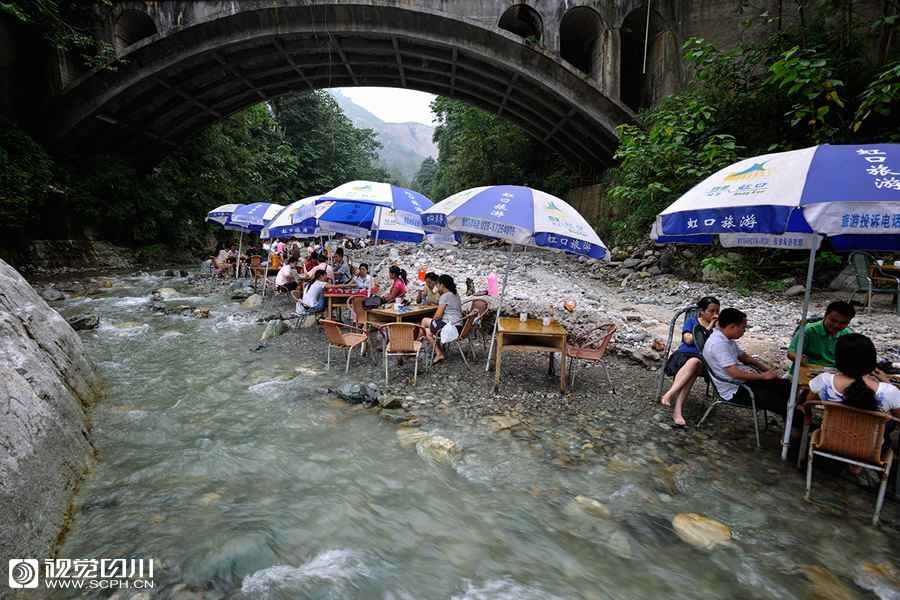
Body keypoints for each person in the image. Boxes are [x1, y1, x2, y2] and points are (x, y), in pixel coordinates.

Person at [703, 308, 795, 418]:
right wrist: (762, 376)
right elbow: (735, 373)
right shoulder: (718, 344)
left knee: (783, 385)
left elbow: (744, 356)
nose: (744, 330)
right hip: (734, 389)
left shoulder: (726, 339)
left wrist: (765, 369)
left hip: (744, 381)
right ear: (732, 326)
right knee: (775, 399)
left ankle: (795, 415)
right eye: (743, 327)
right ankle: (796, 423)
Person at [660, 296, 720, 426]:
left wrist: (716, 328)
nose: (715, 315)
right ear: (701, 311)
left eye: (717, 311)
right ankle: (677, 411)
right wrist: (709, 327)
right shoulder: (692, 321)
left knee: (695, 362)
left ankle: (669, 394)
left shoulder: (719, 328)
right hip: (683, 356)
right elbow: (688, 340)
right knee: (693, 365)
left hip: (703, 360)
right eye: (711, 311)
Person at [807, 333, 900, 415]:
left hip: (831, 433)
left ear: (838, 360)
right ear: (871, 360)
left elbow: (809, 403)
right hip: (871, 435)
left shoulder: (824, 381)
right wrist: (887, 382)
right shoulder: (889, 391)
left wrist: (808, 417)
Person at [788, 300, 855, 367]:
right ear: (825, 315)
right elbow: (791, 352)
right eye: (833, 320)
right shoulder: (809, 330)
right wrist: (799, 359)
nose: (836, 325)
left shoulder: (848, 334)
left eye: (843, 323)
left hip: (834, 372)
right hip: (809, 369)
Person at [420, 274, 464, 366]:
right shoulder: (455, 294)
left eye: (438, 284)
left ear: (442, 285)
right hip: (459, 328)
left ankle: (415, 345)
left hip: (449, 328)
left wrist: (433, 321)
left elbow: (437, 316)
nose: (436, 286)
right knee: (428, 331)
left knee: (424, 321)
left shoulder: (445, 296)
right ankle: (439, 353)